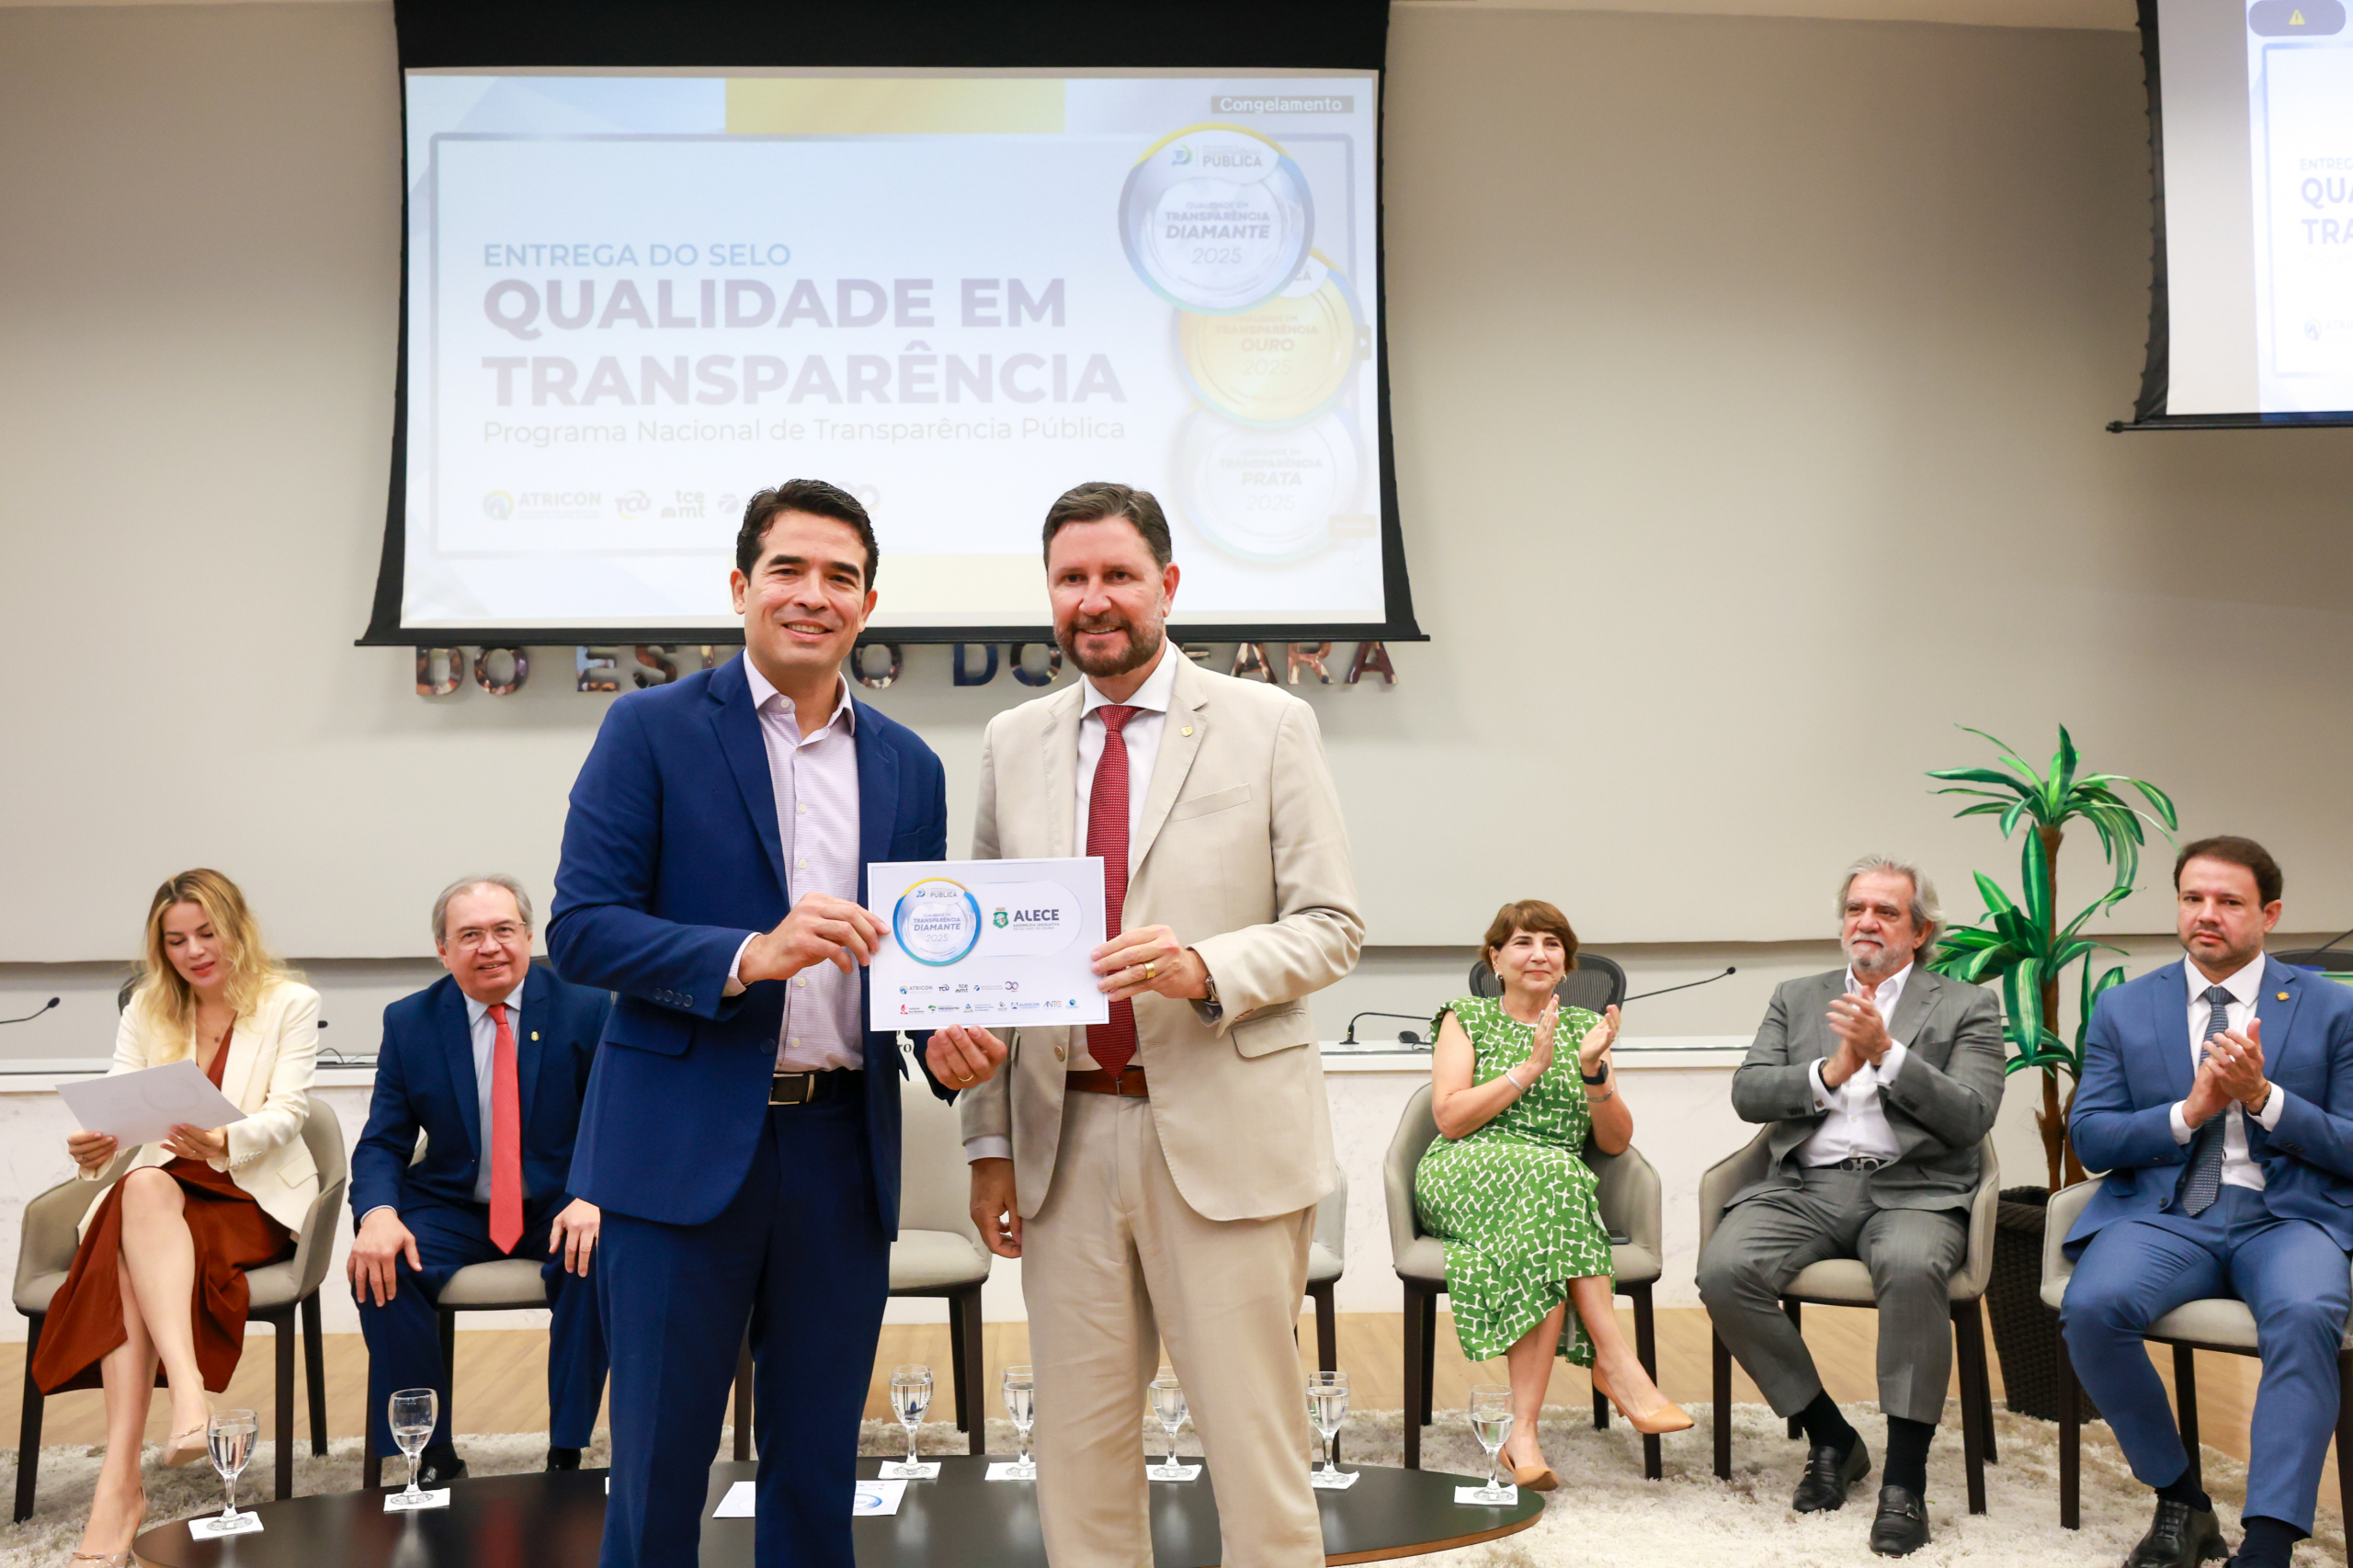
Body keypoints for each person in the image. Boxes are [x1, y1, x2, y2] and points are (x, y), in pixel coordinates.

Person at [550, 479, 977, 1568]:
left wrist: (947, 1043)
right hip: (677, 1145)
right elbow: (582, 929)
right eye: (788, 569)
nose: (812, 594)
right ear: (741, 586)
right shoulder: (648, 728)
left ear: (868, 604)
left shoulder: (909, 764)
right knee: (658, 1468)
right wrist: (747, 954)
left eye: (840, 576)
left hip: (841, 1150)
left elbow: (911, 964)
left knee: (820, 1469)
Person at [951, 481, 1363, 1568]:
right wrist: (988, 1145)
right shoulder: (1010, 739)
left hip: (1225, 1134)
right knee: (1076, 1459)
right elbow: (988, 965)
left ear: (1167, 584)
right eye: (1071, 578)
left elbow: (1332, 926)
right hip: (1063, 1140)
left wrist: (1205, 966)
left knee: (1256, 1449)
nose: (1094, 598)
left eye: (1118, 575)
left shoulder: (1269, 723)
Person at [1695, 855, 2002, 1558]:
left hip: (1915, 1190)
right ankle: (1832, 1436)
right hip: (1806, 1185)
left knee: (1912, 1267)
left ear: (1920, 931)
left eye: (1886, 911)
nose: (1867, 921)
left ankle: (1904, 1482)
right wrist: (1831, 1070)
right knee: (1724, 1271)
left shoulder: (1967, 1005)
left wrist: (1887, 1055)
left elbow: (1971, 1116)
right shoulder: (1797, 997)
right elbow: (1749, 1092)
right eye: (1856, 908)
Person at [2062, 836, 2353, 1568]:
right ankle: (2182, 1501)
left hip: (2289, 1216)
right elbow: (2090, 1136)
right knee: (2092, 1308)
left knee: (2305, 1314)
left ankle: (2269, 1540)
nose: (2206, 915)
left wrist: (2264, 1098)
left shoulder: (2334, 1008)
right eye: (2193, 898)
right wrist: (2187, 1113)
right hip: (2168, 1213)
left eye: (2228, 901)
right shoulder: (2125, 1007)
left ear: (2269, 914)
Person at [39, 870, 320, 1568]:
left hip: (248, 1192)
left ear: (236, 929)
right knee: (138, 1189)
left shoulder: (290, 1001)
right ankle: (183, 1402)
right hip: (164, 1188)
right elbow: (121, 1108)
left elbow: (289, 1114)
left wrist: (225, 1140)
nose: (193, 951)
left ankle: (121, 1487)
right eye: (175, 941)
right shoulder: (148, 1007)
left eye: (206, 933)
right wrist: (95, 1148)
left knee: (125, 1250)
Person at [1415, 900, 1691, 1490]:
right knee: (1557, 1179)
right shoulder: (1465, 1016)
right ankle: (1615, 1363)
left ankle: (1522, 1436)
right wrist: (1529, 1069)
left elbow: (1614, 1141)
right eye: (1522, 942)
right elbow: (1449, 1118)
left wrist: (1593, 1071)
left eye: (1552, 944)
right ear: (1495, 959)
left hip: (1547, 1190)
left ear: (1566, 963)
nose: (1539, 954)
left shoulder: (1586, 1029)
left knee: (1549, 1207)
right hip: (1465, 1171)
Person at [347, 874, 613, 1485]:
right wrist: (377, 1215)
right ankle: (429, 1455)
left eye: (503, 930)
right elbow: (384, 1140)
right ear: (443, 950)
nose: (489, 946)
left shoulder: (586, 1006)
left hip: (559, 1200)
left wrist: (593, 1194)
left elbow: (620, 1118)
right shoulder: (410, 1021)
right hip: (455, 1203)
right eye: (469, 935)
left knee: (596, 1255)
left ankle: (566, 1454)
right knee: (380, 1264)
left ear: (529, 937)